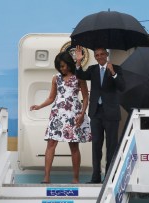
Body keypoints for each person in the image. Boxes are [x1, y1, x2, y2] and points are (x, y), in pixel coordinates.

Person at [30, 51, 91, 184]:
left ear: (69, 63)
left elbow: (86, 97)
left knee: (74, 146)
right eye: (59, 66)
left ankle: (75, 178)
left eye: (63, 65)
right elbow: (51, 98)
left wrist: (82, 114)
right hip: (57, 114)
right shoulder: (55, 78)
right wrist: (39, 106)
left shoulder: (79, 77)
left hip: (74, 114)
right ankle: (46, 177)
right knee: (51, 143)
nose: (62, 68)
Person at [75, 46, 126, 183]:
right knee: (96, 145)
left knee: (111, 146)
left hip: (111, 113)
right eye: (96, 55)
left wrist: (113, 73)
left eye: (102, 54)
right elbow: (80, 75)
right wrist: (78, 61)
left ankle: (109, 177)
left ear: (107, 54)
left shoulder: (117, 68)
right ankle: (96, 177)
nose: (99, 57)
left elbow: (122, 86)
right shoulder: (92, 69)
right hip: (96, 113)